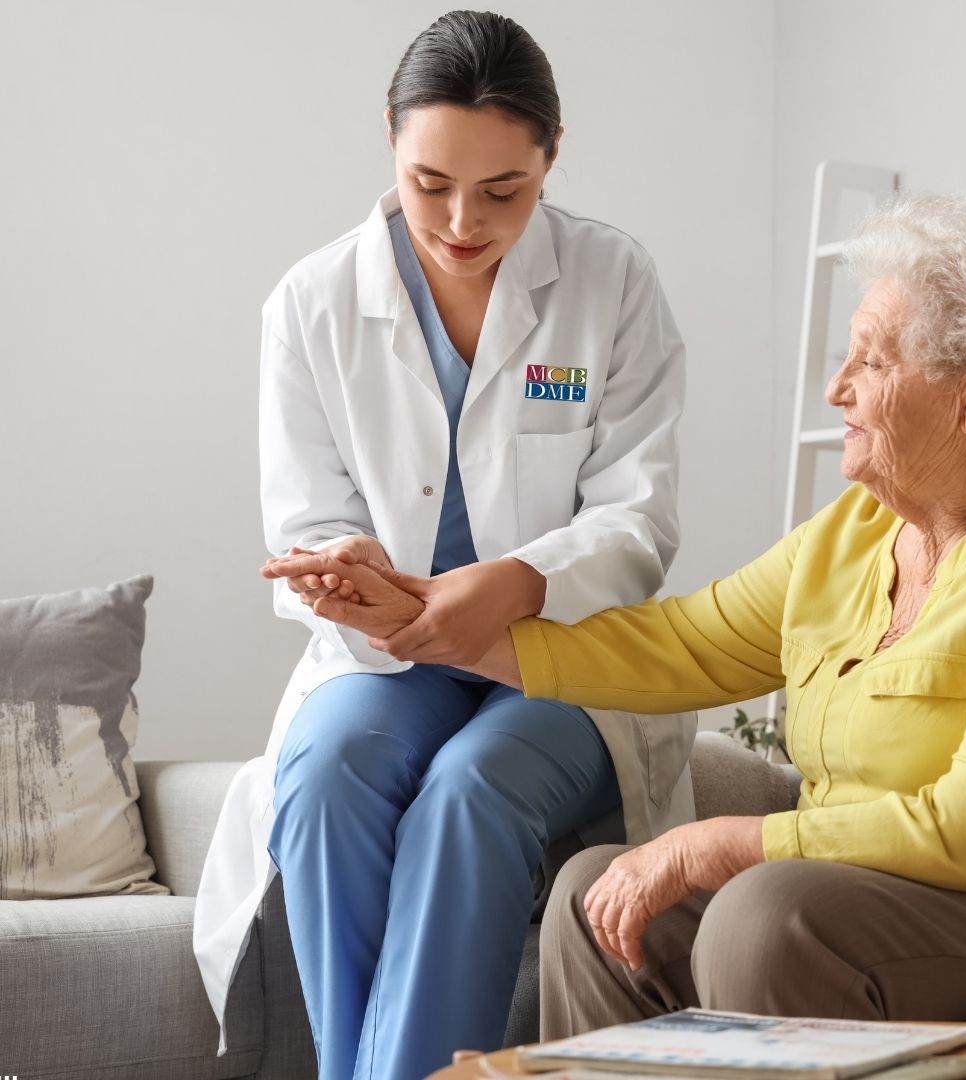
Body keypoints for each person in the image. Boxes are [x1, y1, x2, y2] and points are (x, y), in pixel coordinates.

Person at [282, 194, 966, 1034]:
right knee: (596, 902)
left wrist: (722, 842)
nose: (838, 390)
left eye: (872, 362)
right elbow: (681, 643)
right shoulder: (857, 534)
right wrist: (433, 620)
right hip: (895, 903)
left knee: (765, 911)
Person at [192, 12, 697, 1079]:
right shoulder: (313, 303)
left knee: (474, 791)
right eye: (432, 184)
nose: (463, 221)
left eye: (503, 191)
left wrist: (517, 581)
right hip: (390, 654)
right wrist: (352, 582)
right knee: (325, 773)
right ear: (388, 139)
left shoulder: (614, 286)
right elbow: (306, 523)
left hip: (561, 653)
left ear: (552, 152)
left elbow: (638, 517)